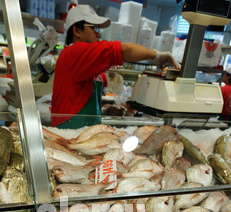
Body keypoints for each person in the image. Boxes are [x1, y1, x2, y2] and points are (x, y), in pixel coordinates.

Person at [51, 5, 180, 128]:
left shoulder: (88, 62)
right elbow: (123, 50)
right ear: (77, 30)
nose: (99, 34)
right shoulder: (74, 53)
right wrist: (156, 56)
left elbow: (79, 101)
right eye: (95, 28)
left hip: (83, 132)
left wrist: (104, 112)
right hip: (67, 134)